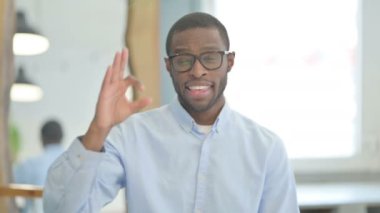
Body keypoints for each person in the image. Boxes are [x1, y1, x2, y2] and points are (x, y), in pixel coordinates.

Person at [43, 12, 299, 212]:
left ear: (229, 62)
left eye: (210, 57)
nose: (197, 71)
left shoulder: (266, 149)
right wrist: (98, 128)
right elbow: (61, 209)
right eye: (183, 59)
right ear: (169, 66)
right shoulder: (132, 136)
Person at [14, 119, 65, 213]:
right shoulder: (76, 164)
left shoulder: (30, 165)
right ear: (62, 137)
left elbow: (7, 181)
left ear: (42, 138)